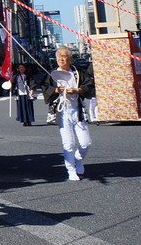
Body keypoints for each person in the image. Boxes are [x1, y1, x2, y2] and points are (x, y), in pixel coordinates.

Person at [43, 47, 94, 181]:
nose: (61, 59)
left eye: (64, 56)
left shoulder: (78, 73)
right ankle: (71, 170)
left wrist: (78, 89)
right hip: (62, 112)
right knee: (69, 144)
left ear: (70, 59)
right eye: (59, 56)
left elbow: (89, 85)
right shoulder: (53, 74)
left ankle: (78, 159)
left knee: (86, 142)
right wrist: (55, 90)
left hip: (77, 110)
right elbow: (45, 88)